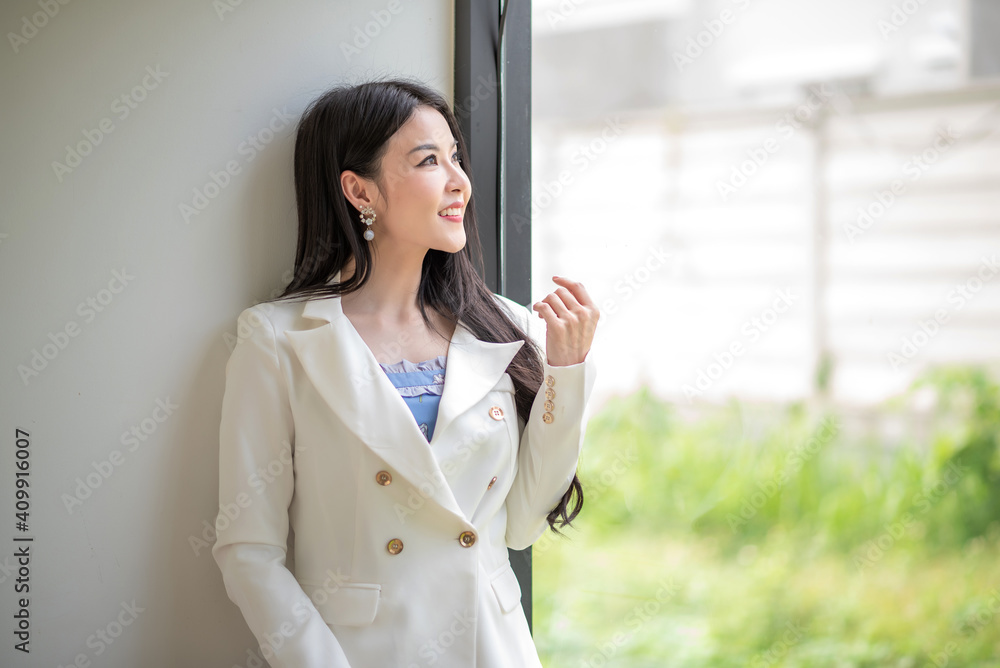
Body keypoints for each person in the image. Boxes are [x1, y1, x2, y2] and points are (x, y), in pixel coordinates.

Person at [211, 77, 599, 668]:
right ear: (359, 190)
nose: (459, 182)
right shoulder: (277, 340)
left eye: (456, 158)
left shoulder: (504, 326)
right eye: (428, 161)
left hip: (491, 649)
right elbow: (248, 550)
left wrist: (566, 374)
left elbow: (521, 524)